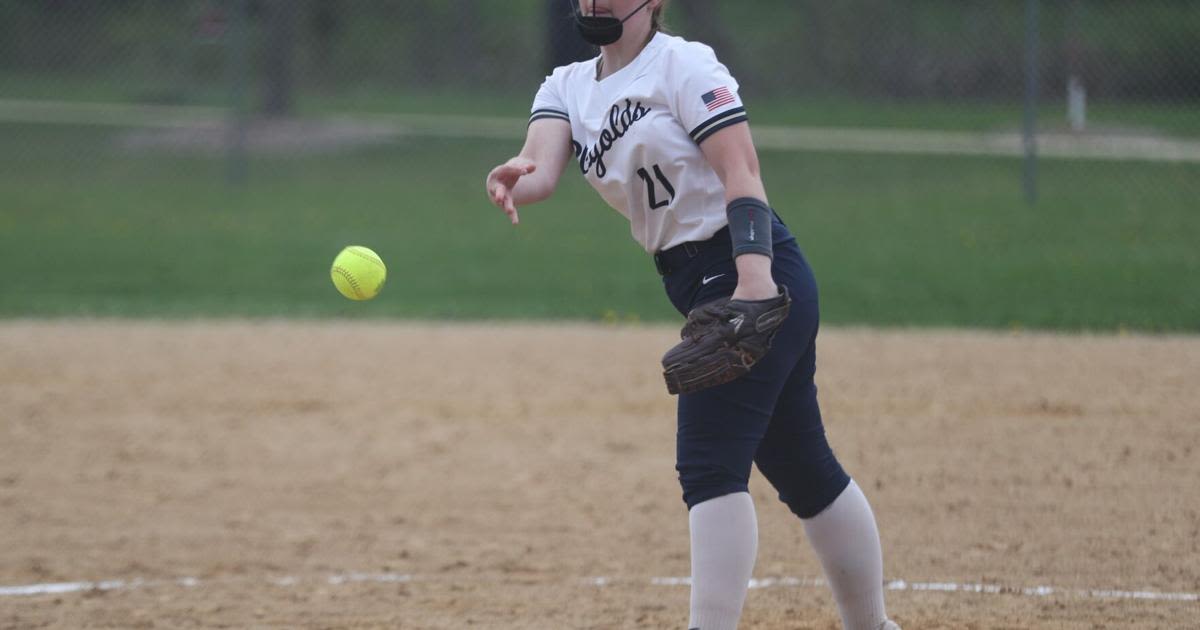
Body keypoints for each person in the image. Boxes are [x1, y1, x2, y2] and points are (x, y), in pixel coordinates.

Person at [485, 2, 900, 629]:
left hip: (752, 268)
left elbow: (742, 171)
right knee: (803, 466)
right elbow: (541, 166)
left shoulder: (683, 64)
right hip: (699, 280)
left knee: (708, 464)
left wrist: (753, 281)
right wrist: (518, 175)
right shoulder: (566, 85)